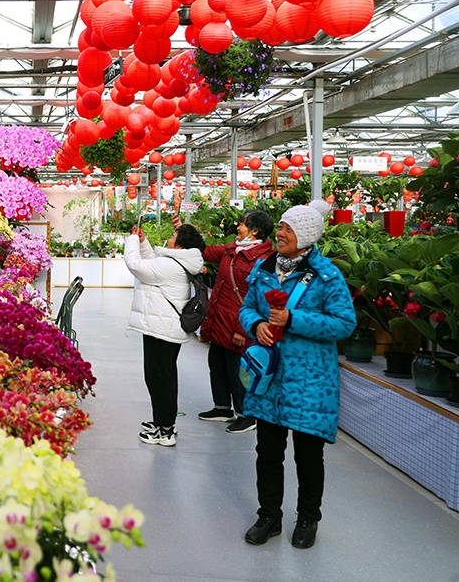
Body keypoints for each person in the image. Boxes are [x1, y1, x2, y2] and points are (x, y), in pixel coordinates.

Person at [238, 200, 355, 550]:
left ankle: (307, 518)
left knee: (308, 455)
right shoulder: (263, 268)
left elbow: (344, 323)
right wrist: (256, 325)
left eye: (287, 229)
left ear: (305, 235)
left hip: (310, 381)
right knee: (267, 452)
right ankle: (269, 516)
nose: (280, 233)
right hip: (270, 379)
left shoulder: (326, 275)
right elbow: (247, 308)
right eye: (281, 227)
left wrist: (293, 319)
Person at [174, 210, 275, 434]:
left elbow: (257, 299)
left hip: (238, 324)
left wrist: (242, 330)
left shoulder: (263, 259)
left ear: (254, 231)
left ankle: (246, 415)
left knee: (238, 370)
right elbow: (205, 250)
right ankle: (222, 407)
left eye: (242, 224)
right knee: (217, 363)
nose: (238, 227)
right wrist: (182, 230)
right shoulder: (232, 250)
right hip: (219, 320)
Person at [123, 221, 206, 447]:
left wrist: (132, 240)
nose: (170, 237)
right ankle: (163, 422)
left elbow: (136, 265)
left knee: (159, 379)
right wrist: (143, 243)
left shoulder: (171, 265)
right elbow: (154, 264)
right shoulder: (177, 261)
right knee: (164, 377)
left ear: (180, 244)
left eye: (174, 235)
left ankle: (165, 430)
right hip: (163, 327)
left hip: (161, 329)